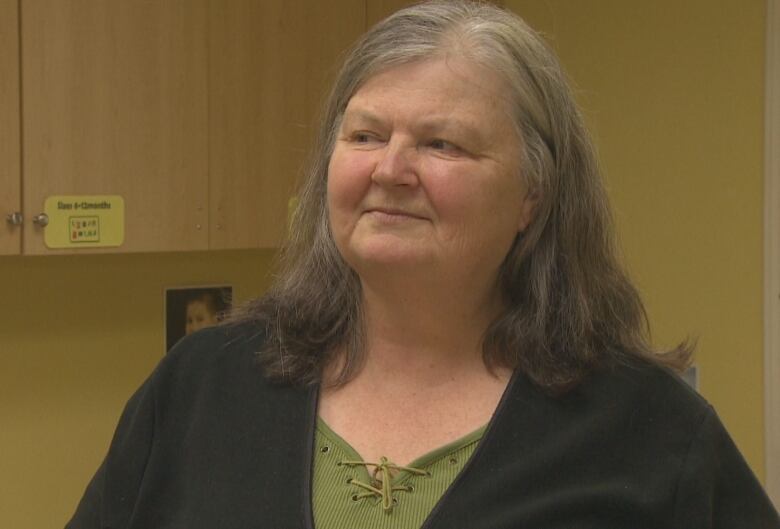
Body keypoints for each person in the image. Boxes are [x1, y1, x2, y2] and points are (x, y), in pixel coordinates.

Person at [66, 2, 780, 528]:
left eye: (442, 144)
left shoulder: (652, 434)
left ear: (532, 193)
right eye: (366, 134)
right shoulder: (199, 390)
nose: (391, 169)